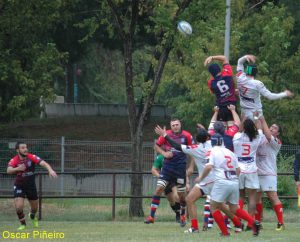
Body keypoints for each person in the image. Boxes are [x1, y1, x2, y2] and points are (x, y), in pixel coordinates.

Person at [154, 126, 239, 233]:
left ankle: (197, 227)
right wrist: (204, 130)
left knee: (206, 203)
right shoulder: (211, 144)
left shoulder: (195, 149)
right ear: (208, 137)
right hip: (216, 178)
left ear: (197, 140)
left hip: (207, 180)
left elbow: (176, 145)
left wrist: (165, 135)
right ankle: (237, 222)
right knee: (215, 204)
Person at [197, 133, 261, 236]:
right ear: (222, 141)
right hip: (234, 181)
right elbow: (238, 170)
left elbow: (208, 167)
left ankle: (225, 232)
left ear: (212, 142)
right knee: (234, 208)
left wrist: (200, 178)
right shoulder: (230, 152)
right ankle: (253, 222)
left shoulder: (212, 151)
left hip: (222, 181)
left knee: (213, 207)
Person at [144, 118, 193, 227]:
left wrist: (191, 166)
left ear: (180, 124)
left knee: (181, 195)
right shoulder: (166, 134)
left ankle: (182, 216)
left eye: (177, 124)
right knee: (158, 189)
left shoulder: (187, 136)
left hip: (180, 169)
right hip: (167, 168)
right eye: (173, 125)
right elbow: (156, 146)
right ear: (171, 126)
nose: (175, 126)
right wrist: (164, 153)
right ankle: (151, 216)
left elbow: (192, 151)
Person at [7, 142, 58, 230]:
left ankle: (32, 216)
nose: (25, 149)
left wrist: (50, 170)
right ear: (17, 150)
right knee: (19, 207)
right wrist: (17, 169)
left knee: (34, 208)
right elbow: (8, 170)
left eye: (26, 147)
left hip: (31, 186)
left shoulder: (31, 157)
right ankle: (23, 224)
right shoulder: (14, 160)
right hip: (19, 186)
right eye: (22, 148)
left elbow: (44, 163)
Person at [236, 54, 293, 119]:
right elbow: (270, 96)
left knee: (243, 129)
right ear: (255, 73)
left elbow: (239, 62)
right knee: (259, 129)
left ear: (246, 71)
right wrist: (285, 94)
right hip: (255, 113)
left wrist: (246, 57)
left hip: (244, 111)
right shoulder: (257, 83)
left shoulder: (239, 77)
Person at [233, 116, 265, 230]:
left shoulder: (236, 137)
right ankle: (250, 224)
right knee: (252, 198)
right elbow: (260, 127)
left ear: (243, 128)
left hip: (239, 169)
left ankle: (239, 222)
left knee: (240, 196)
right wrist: (256, 116)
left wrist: (243, 118)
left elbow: (239, 128)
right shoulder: (257, 138)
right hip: (251, 170)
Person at [256, 117, 285, 231]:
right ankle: (258, 223)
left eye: (275, 128)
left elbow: (268, 135)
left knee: (273, 197)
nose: (272, 128)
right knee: (257, 198)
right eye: (271, 126)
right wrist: (256, 115)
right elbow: (258, 126)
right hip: (257, 173)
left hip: (269, 174)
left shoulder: (276, 142)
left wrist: (263, 120)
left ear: (277, 133)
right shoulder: (260, 136)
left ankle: (281, 223)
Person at [204, 55, 237, 126]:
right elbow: (224, 58)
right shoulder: (227, 73)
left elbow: (214, 92)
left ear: (211, 73)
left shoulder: (211, 82)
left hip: (220, 107)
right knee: (232, 128)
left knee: (222, 129)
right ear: (219, 69)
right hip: (231, 106)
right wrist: (212, 57)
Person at [151, 154, 181, 222]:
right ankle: (178, 213)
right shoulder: (160, 157)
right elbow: (153, 170)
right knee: (171, 201)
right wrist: (160, 176)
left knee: (176, 196)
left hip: (174, 179)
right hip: (166, 180)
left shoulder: (177, 155)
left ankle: (179, 215)